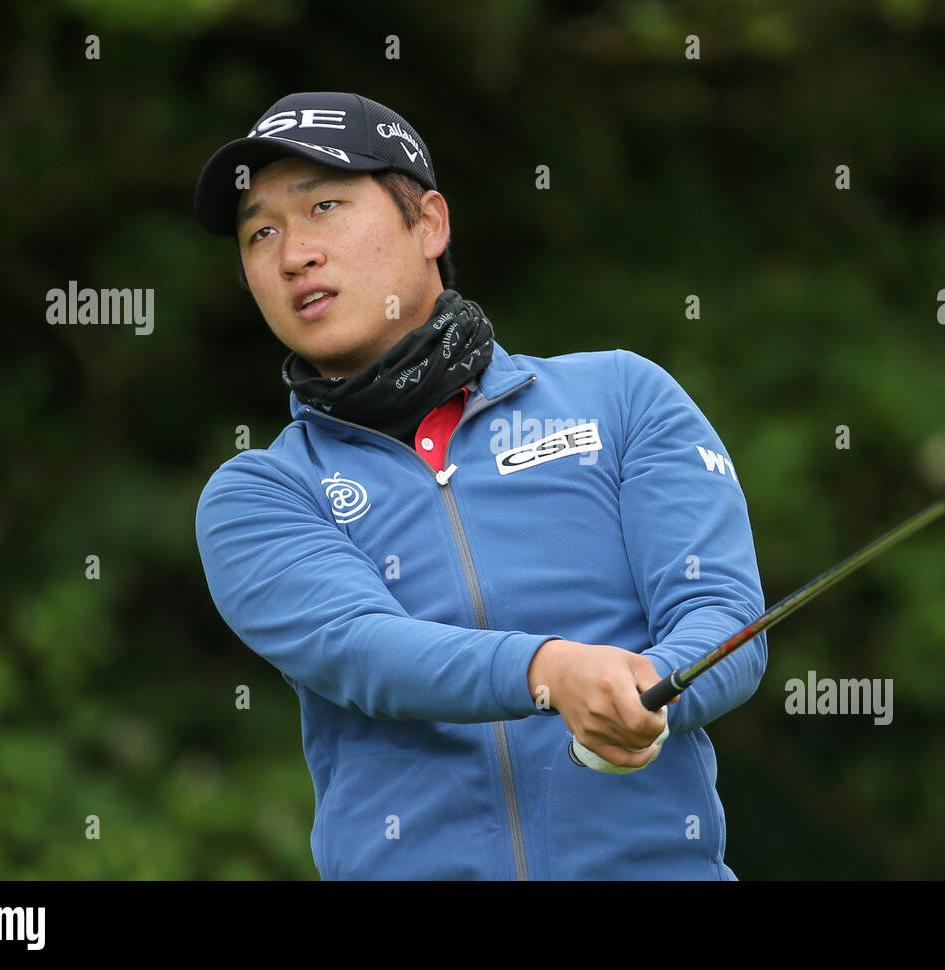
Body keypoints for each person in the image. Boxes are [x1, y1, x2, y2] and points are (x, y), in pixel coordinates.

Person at [193, 92, 768, 879]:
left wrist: (653, 689)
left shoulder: (623, 398)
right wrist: (552, 673)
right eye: (261, 232)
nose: (294, 254)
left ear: (429, 223)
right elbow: (367, 650)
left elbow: (724, 617)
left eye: (325, 206)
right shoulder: (259, 494)